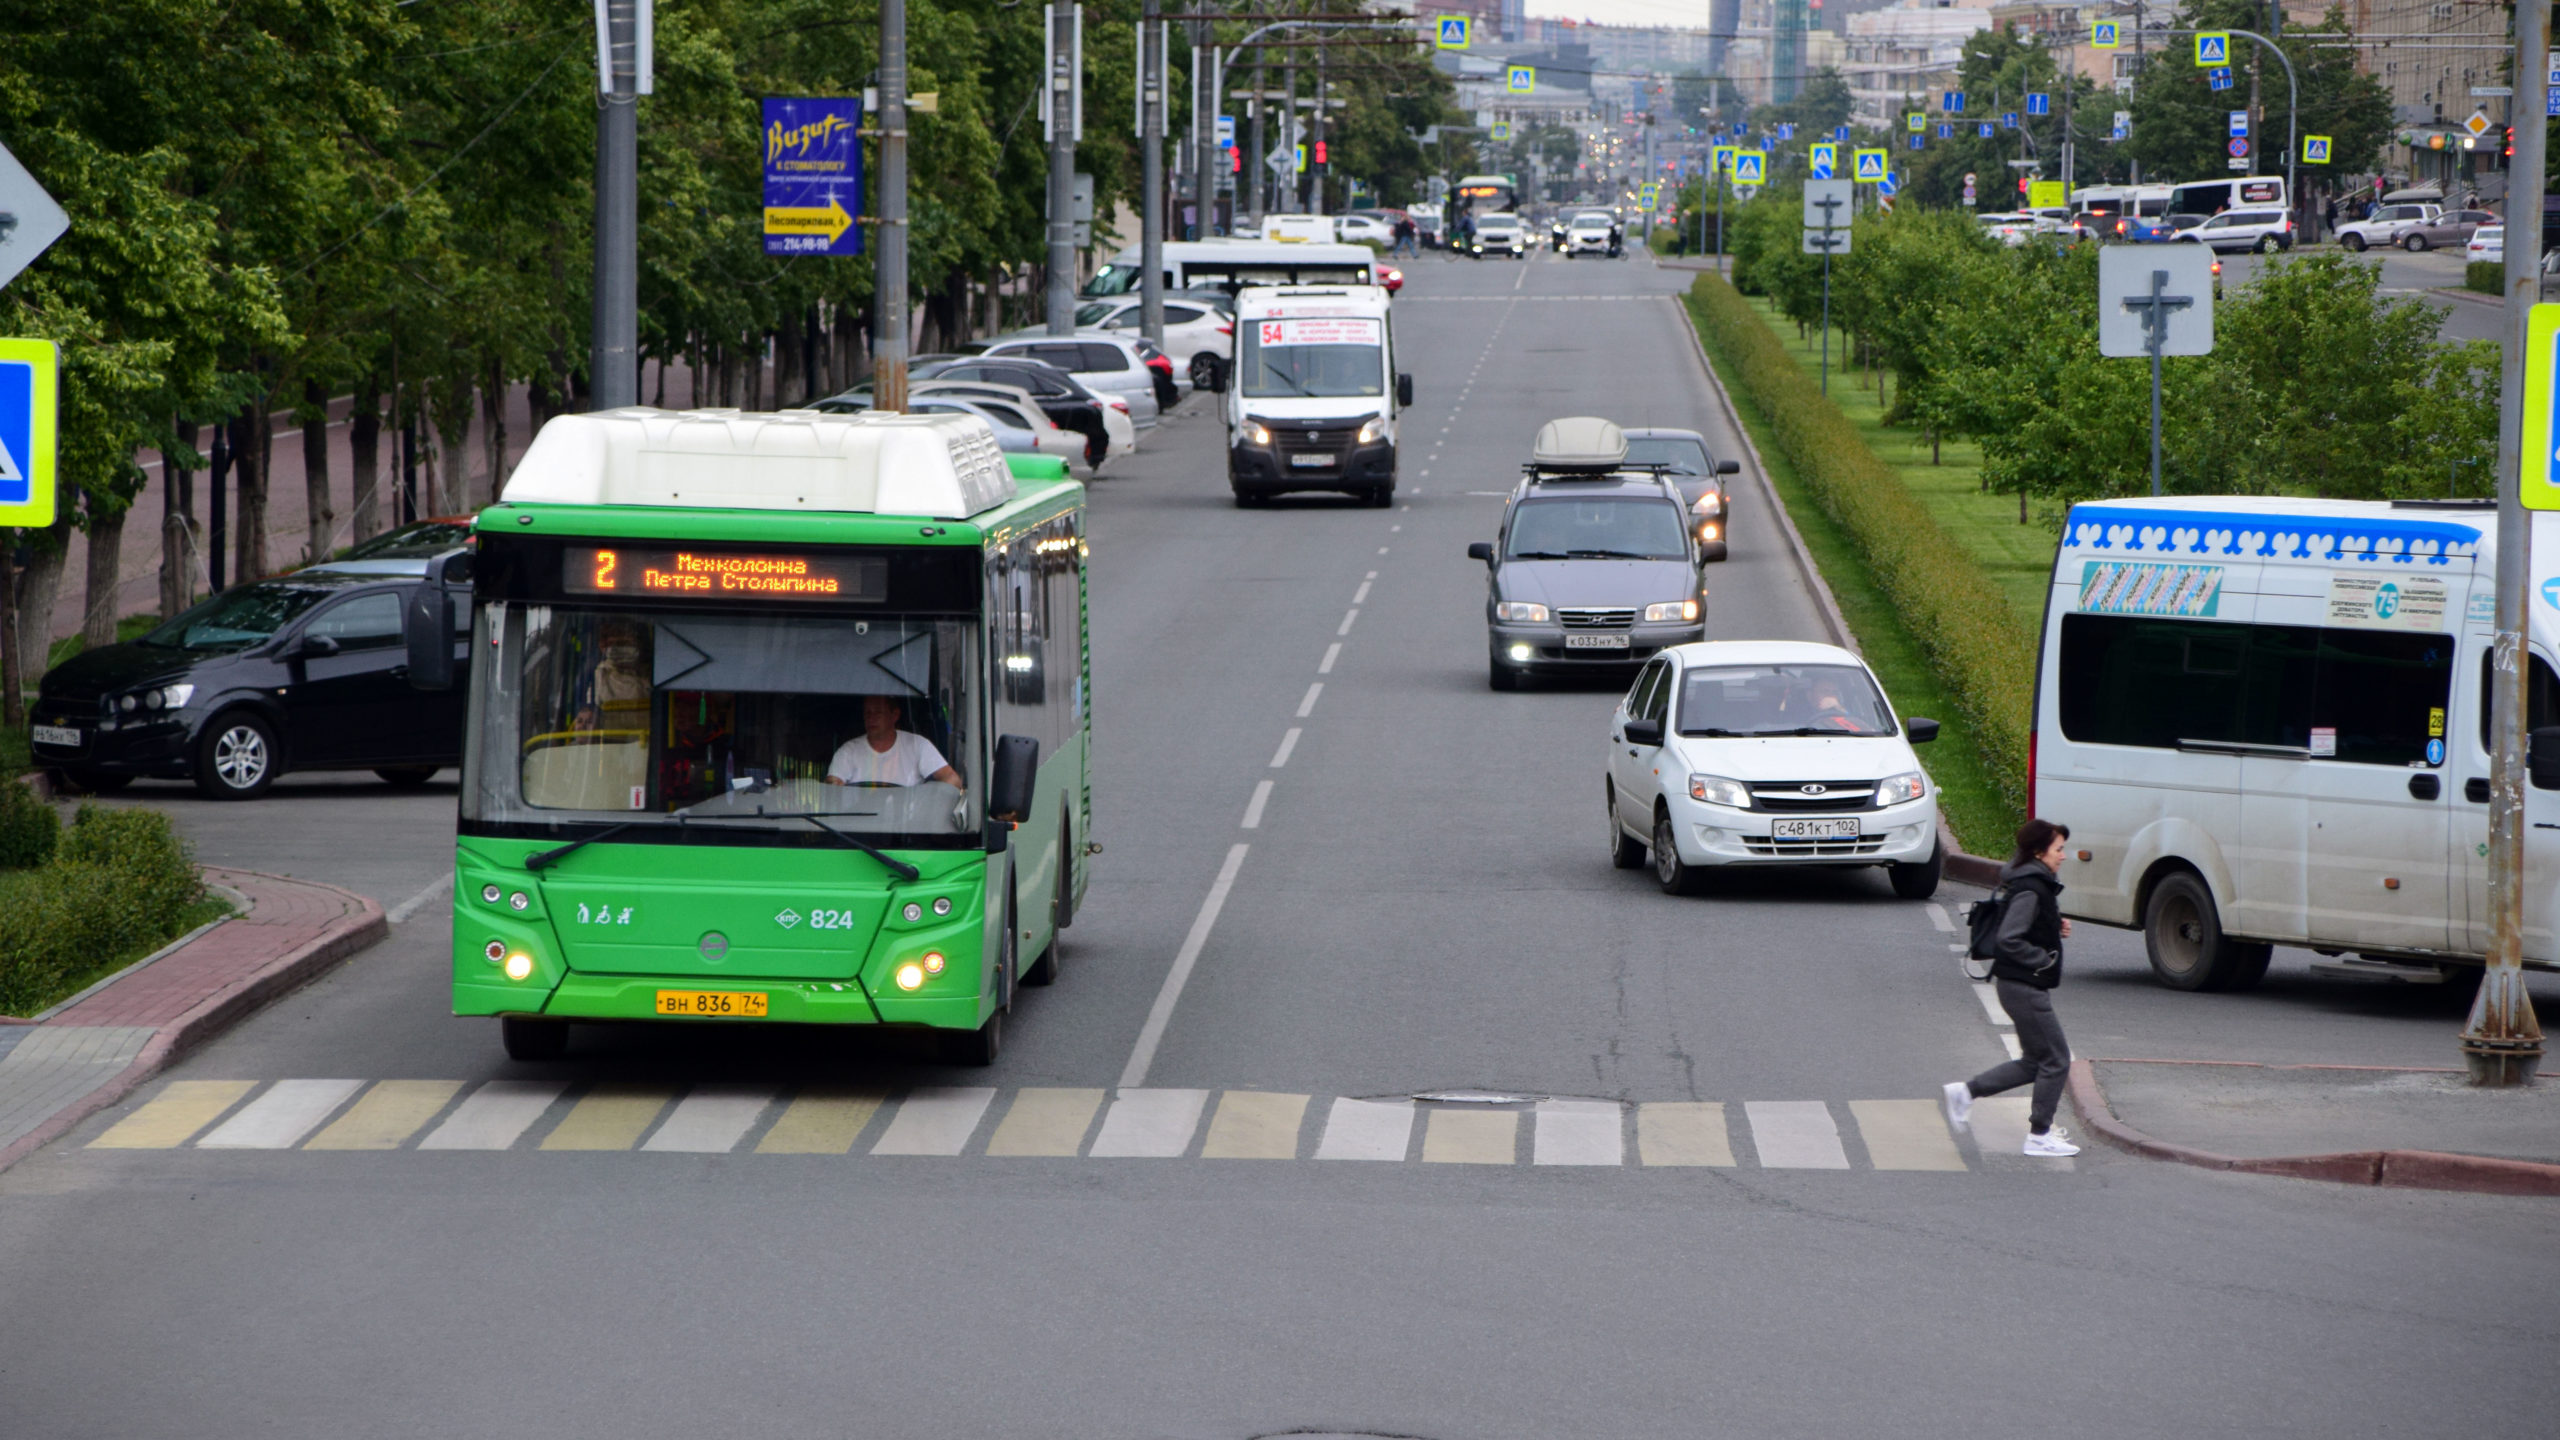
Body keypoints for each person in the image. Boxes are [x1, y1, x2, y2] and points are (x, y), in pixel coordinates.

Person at [1942, 817, 2080, 1157]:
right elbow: (2009, 938)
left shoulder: (2032, 882)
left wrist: (2052, 927)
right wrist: (2042, 959)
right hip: (2024, 987)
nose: (2064, 855)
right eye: (2059, 849)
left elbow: (2025, 925)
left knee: (2036, 1061)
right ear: (2038, 852)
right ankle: (2039, 1136)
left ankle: (1966, 1092)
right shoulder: (2032, 887)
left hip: (2018, 986)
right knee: (2057, 1059)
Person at [826, 693, 963, 789]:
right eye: (867, 713)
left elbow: (953, 780)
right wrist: (835, 784)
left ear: (895, 715)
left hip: (910, 828)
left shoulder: (918, 745)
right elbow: (832, 788)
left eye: (878, 712)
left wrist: (927, 802)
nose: (871, 718)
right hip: (858, 827)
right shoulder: (848, 751)